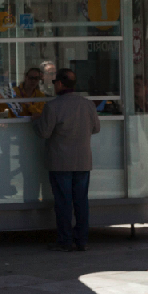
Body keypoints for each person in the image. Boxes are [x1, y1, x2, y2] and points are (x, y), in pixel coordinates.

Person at [33, 69, 101, 252]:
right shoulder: (87, 105)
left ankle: (65, 240)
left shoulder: (52, 107)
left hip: (60, 162)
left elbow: (44, 132)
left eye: (55, 82)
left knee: (63, 203)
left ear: (60, 84)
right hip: (83, 161)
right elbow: (96, 128)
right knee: (81, 201)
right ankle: (82, 240)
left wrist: (36, 122)